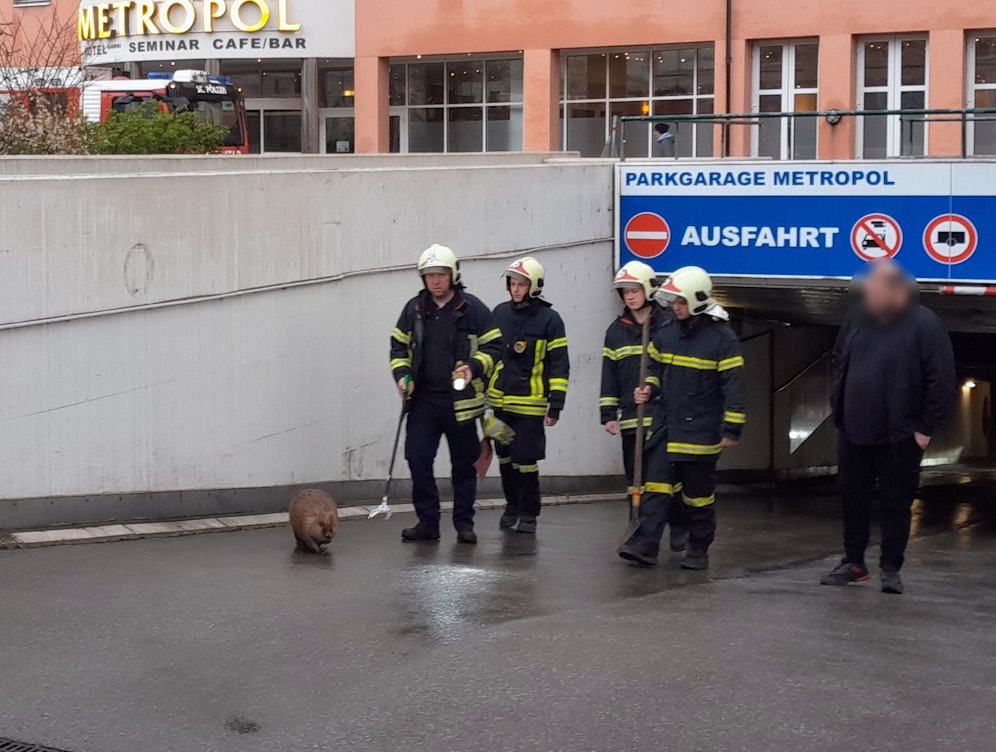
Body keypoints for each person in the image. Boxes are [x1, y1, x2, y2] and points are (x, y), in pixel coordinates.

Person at [821, 261, 955, 595]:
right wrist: (839, 406)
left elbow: (940, 380)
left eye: (873, 287)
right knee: (853, 497)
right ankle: (853, 562)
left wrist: (925, 429)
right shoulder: (857, 318)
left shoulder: (924, 324)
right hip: (854, 431)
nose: (867, 292)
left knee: (896, 502)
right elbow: (840, 358)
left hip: (899, 436)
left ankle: (890, 568)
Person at [618, 266, 745, 570]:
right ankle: (645, 545)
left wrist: (732, 428)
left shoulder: (722, 339)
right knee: (656, 487)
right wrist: (649, 388)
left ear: (698, 300)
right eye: (673, 302)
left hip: (701, 432)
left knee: (697, 498)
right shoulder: (666, 333)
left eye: (681, 302)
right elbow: (656, 370)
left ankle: (698, 549)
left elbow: (734, 388)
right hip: (666, 426)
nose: (675, 307)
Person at [389, 244, 504, 544]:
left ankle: (464, 524)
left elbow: (496, 347)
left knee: (464, 464)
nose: (435, 281)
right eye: (429, 275)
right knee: (417, 459)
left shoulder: (473, 309)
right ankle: (428, 523)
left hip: (462, 403)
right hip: (423, 401)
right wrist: (403, 377)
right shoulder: (414, 310)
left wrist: (473, 367)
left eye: (441, 274)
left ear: (453, 275)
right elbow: (398, 347)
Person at [600, 261, 688, 552]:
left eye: (635, 290)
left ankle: (678, 525)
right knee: (634, 481)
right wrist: (608, 414)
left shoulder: (667, 325)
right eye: (625, 292)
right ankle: (637, 527)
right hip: (631, 418)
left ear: (649, 289)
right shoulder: (616, 331)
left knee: (666, 480)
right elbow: (609, 375)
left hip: (663, 417)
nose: (630, 296)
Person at [488, 257, 569, 534]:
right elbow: (486, 353)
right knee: (505, 458)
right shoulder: (498, 313)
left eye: (522, 284)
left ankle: (529, 513)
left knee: (525, 459)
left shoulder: (550, 320)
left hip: (530, 405)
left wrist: (555, 404)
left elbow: (559, 364)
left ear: (534, 286)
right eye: (512, 283)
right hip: (499, 402)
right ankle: (511, 506)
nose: (516, 289)